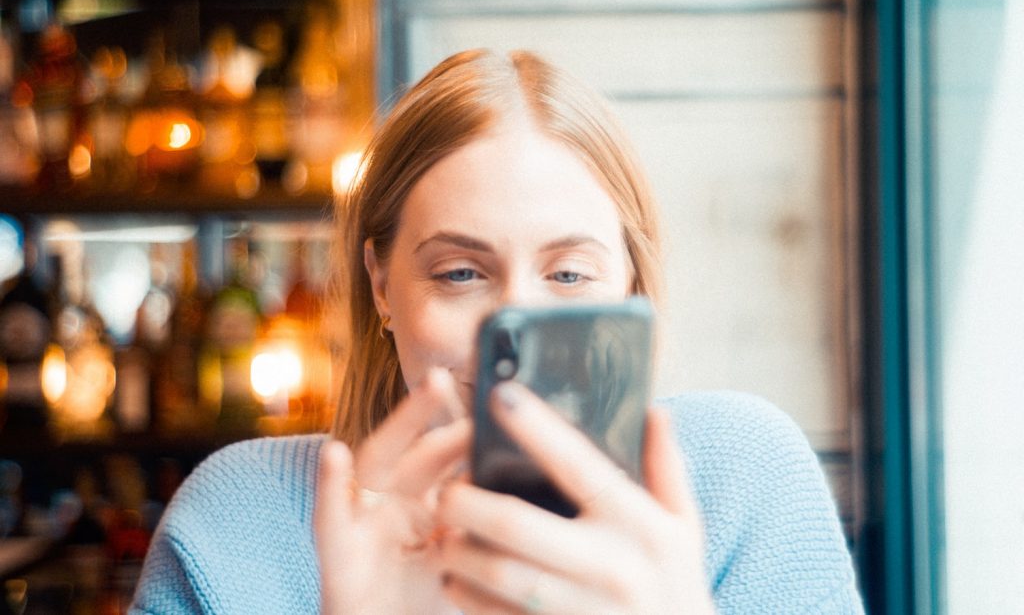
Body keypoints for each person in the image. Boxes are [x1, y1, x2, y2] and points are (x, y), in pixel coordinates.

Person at [130, 49, 864, 614]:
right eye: (460, 274)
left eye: (569, 275)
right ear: (382, 285)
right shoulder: (235, 528)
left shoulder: (742, 479)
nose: (513, 334)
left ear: (633, 288)